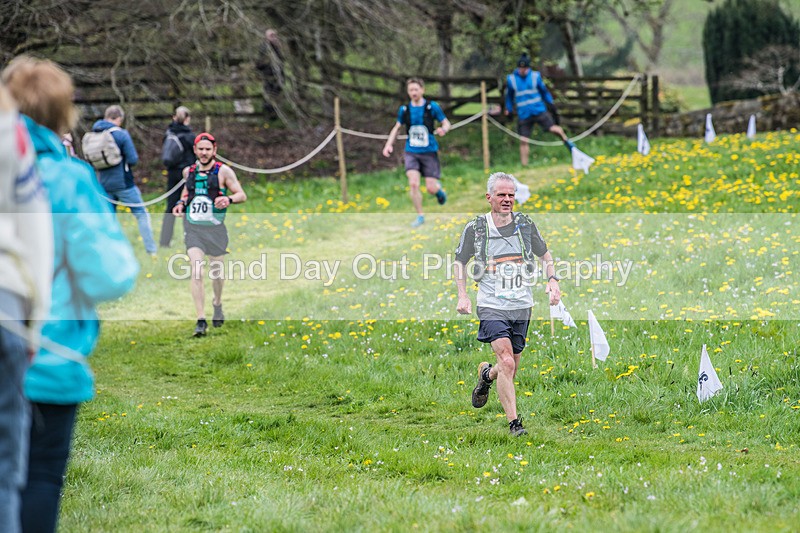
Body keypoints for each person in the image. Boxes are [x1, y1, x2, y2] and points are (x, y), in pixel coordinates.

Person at [3, 56, 139, 533]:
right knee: (39, 478)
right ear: (64, 115)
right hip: (49, 354)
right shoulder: (66, 180)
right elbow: (110, 275)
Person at [454, 172, 561, 437]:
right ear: (489, 197)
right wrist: (463, 295)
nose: (507, 200)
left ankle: (486, 376)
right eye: (501, 195)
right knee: (507, 362)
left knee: (509, 365)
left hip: (522, 304)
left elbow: (545, 254)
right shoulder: (477, 228)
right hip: (490, 302)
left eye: (511, 195)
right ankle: (515, 424)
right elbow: (460, 261)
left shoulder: (525, 225)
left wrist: (553, 280)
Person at [0, 80, 53, 533]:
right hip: (5, 302)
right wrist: (33, 329)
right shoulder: (9, 129)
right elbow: (36, 234)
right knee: (3, 472)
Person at [172, 132, 247, 337]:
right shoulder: (189, 171)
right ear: (195, 150)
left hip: (215, 229)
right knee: (197, 271)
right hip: (193, 228)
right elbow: (187, 193)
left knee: (217, 274)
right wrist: (180, 204)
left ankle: (217, 303)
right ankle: (201, 319)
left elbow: (242, 194)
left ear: (214, 150)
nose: (204, 153)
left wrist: (229, 200)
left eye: (208, 149)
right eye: (200, 149)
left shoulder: (224, 171)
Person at [382, 77, 451, 228]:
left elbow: (446, 123)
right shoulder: (404, 110)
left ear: (422, 90)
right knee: (413, 183)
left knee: (430, 188)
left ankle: (438, 192)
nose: (413, 92)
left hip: (429, 152)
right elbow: (397, 127)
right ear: (408, 92)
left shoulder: (431, 107)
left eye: (416, 89)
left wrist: (443, 129)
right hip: (411, 152)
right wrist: (389, 144)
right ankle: (420, 216)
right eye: (410, 90)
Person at [90, 104, 158, 255]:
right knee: (141, 213)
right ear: (119, 118)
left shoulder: (95, 133)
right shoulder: (121, 134)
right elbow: (133, 159)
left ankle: (106, 251)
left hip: (103, 183)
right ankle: (151, 251)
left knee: (107, 218)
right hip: (123, 183)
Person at [505, 53, 574, 166]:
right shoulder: (511, 80)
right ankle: (524, 165)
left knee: (554, 129)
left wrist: (551, 103)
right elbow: (509, 97)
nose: (523, 70)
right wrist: (508, 108)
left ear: (528, 68)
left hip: (538, 110)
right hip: (524, 114)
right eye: (521, 68)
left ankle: (570, 146)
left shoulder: (535, 76)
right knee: (523, 140)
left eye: (525, 68)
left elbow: (544, 92)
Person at [159, 106, 195, 248]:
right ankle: (190, 238)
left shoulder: (169, 134)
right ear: (187, 119)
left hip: (172, 173)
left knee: (171, 207)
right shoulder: (189, 137)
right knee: (188, 205)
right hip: (186, 174)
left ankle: (164, 241)